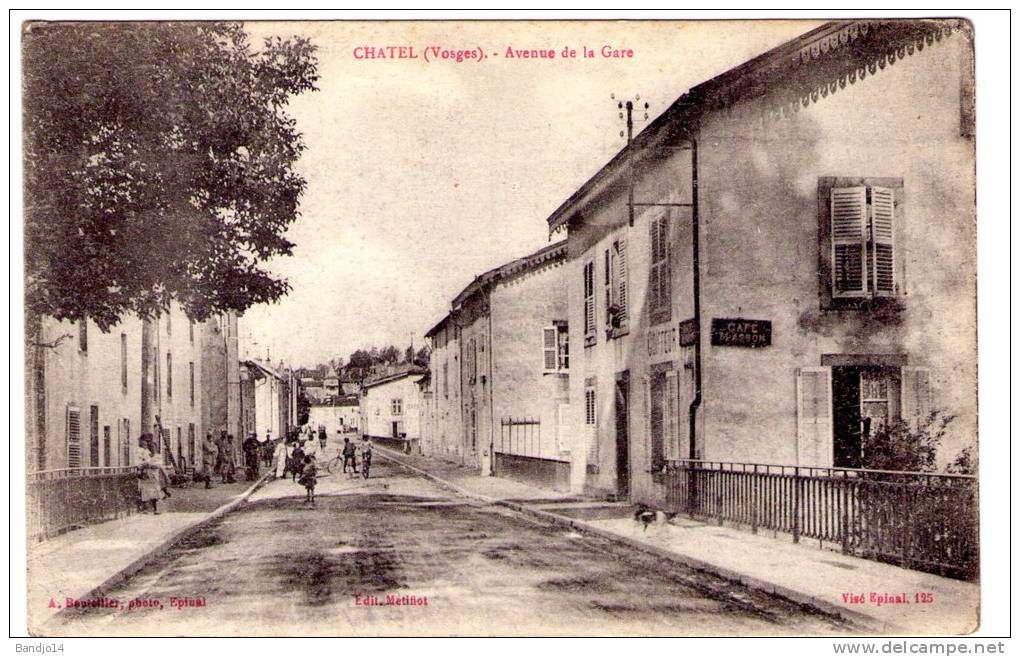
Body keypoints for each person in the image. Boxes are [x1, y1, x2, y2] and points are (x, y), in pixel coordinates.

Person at [138, 442, 170, 514]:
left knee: (155, 492)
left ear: (156, 448)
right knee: (145, 492)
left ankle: (156, 509)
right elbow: (140, 465)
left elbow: (158, 466)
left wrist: (148, 465)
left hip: (154, 476)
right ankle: (145, 509)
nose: (152, 449)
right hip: (146, 477)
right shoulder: (146, 456)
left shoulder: (158, 456)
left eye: (153, 447)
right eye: (150, 447)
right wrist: (144, 466)